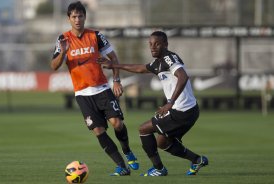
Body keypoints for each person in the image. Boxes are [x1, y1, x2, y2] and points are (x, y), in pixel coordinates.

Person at [97, 31, 208, 176]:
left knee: (144, 129)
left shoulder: (169, 58)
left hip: (182, 110)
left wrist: (170, 102)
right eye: (150, 44)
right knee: (162, 143)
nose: (152, 47)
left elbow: (183, 76)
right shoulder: (158, 62)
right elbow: (140, 68)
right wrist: (115, 65)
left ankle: (159, 169)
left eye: (157, 44)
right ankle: (197, 159)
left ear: (165, 44)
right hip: (188, 110)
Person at [50, 1, 138, 176]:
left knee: (117, 123)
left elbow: (113, 57)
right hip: (82, 94)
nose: (77, 20)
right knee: (98, 130)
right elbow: (53, 66)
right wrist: (63, 52)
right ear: (69, 18)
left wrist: (117, 81)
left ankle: (127, 151)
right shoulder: (63, 40)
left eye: (80, 16)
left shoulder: (96, 36)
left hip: (102, 89)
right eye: (74, 16)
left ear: (85, 17)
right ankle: (121, 166)